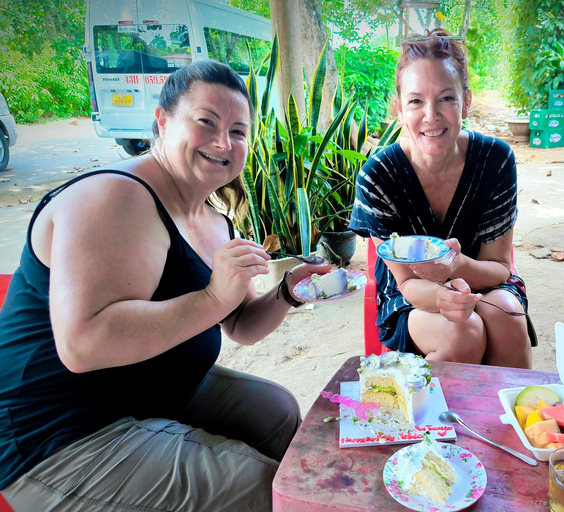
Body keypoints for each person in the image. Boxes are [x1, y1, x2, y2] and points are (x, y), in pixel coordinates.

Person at [0, 61, 331, 511]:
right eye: (206, 122)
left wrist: (288, 290)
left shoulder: (215, 220)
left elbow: (240, 326)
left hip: (154, 391)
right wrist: (213, 295)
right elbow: (83, 344)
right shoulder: (114, 196)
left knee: (278, 412)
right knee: (259, 488)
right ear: (162, 121)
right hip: (59, 432)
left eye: (238, 130)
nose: (223, 142)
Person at [350, 28, 536, 369]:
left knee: (508, 317)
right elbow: (405, 282)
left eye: (446, 98)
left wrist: (457, 267)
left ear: (466, 101)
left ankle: (515, 419)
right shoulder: (378, 176)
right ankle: (443, 423)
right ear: (399, 108)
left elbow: (498, 267)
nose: (431, 115)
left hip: (483, 277)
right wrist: (441, 294)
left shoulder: (495, 161)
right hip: (411, 297)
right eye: (416, 100)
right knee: (462, 332)